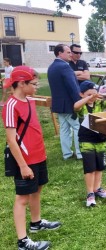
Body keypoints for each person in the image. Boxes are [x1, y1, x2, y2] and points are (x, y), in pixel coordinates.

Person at [2, 66, 62, 250]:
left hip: (38, 155)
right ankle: (23, 242)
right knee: (22, 198)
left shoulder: (29, 100)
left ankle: (36, 223)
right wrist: (23, 166)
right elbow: (11, 140)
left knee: (37, 189)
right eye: (34, 84)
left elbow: (46, 102)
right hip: (25, 160)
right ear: (21, 84)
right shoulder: (11, 106)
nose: (37, 87)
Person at [74, 81, 106, 207]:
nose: (93, 97)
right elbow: (75, 106)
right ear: (81, 94)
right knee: (90, 168)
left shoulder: (99, 103)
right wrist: (88, 99)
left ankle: (97, 188)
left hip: (100, 139)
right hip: (86, 141)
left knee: (100, 166)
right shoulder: (82, 106)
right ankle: (90, 193)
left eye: (95, 94)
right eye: (89, 94)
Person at [48, 44, 82, 160]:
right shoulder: (65, 67)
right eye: (68, 52)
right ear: (59, 53)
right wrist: (79, 103)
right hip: (69, 105)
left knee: (64, 129)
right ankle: (80, 153)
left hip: (58, 104)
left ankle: (67, 154)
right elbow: (73, 87)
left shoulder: (51, 67)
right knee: (78, 127)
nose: (71, 54)